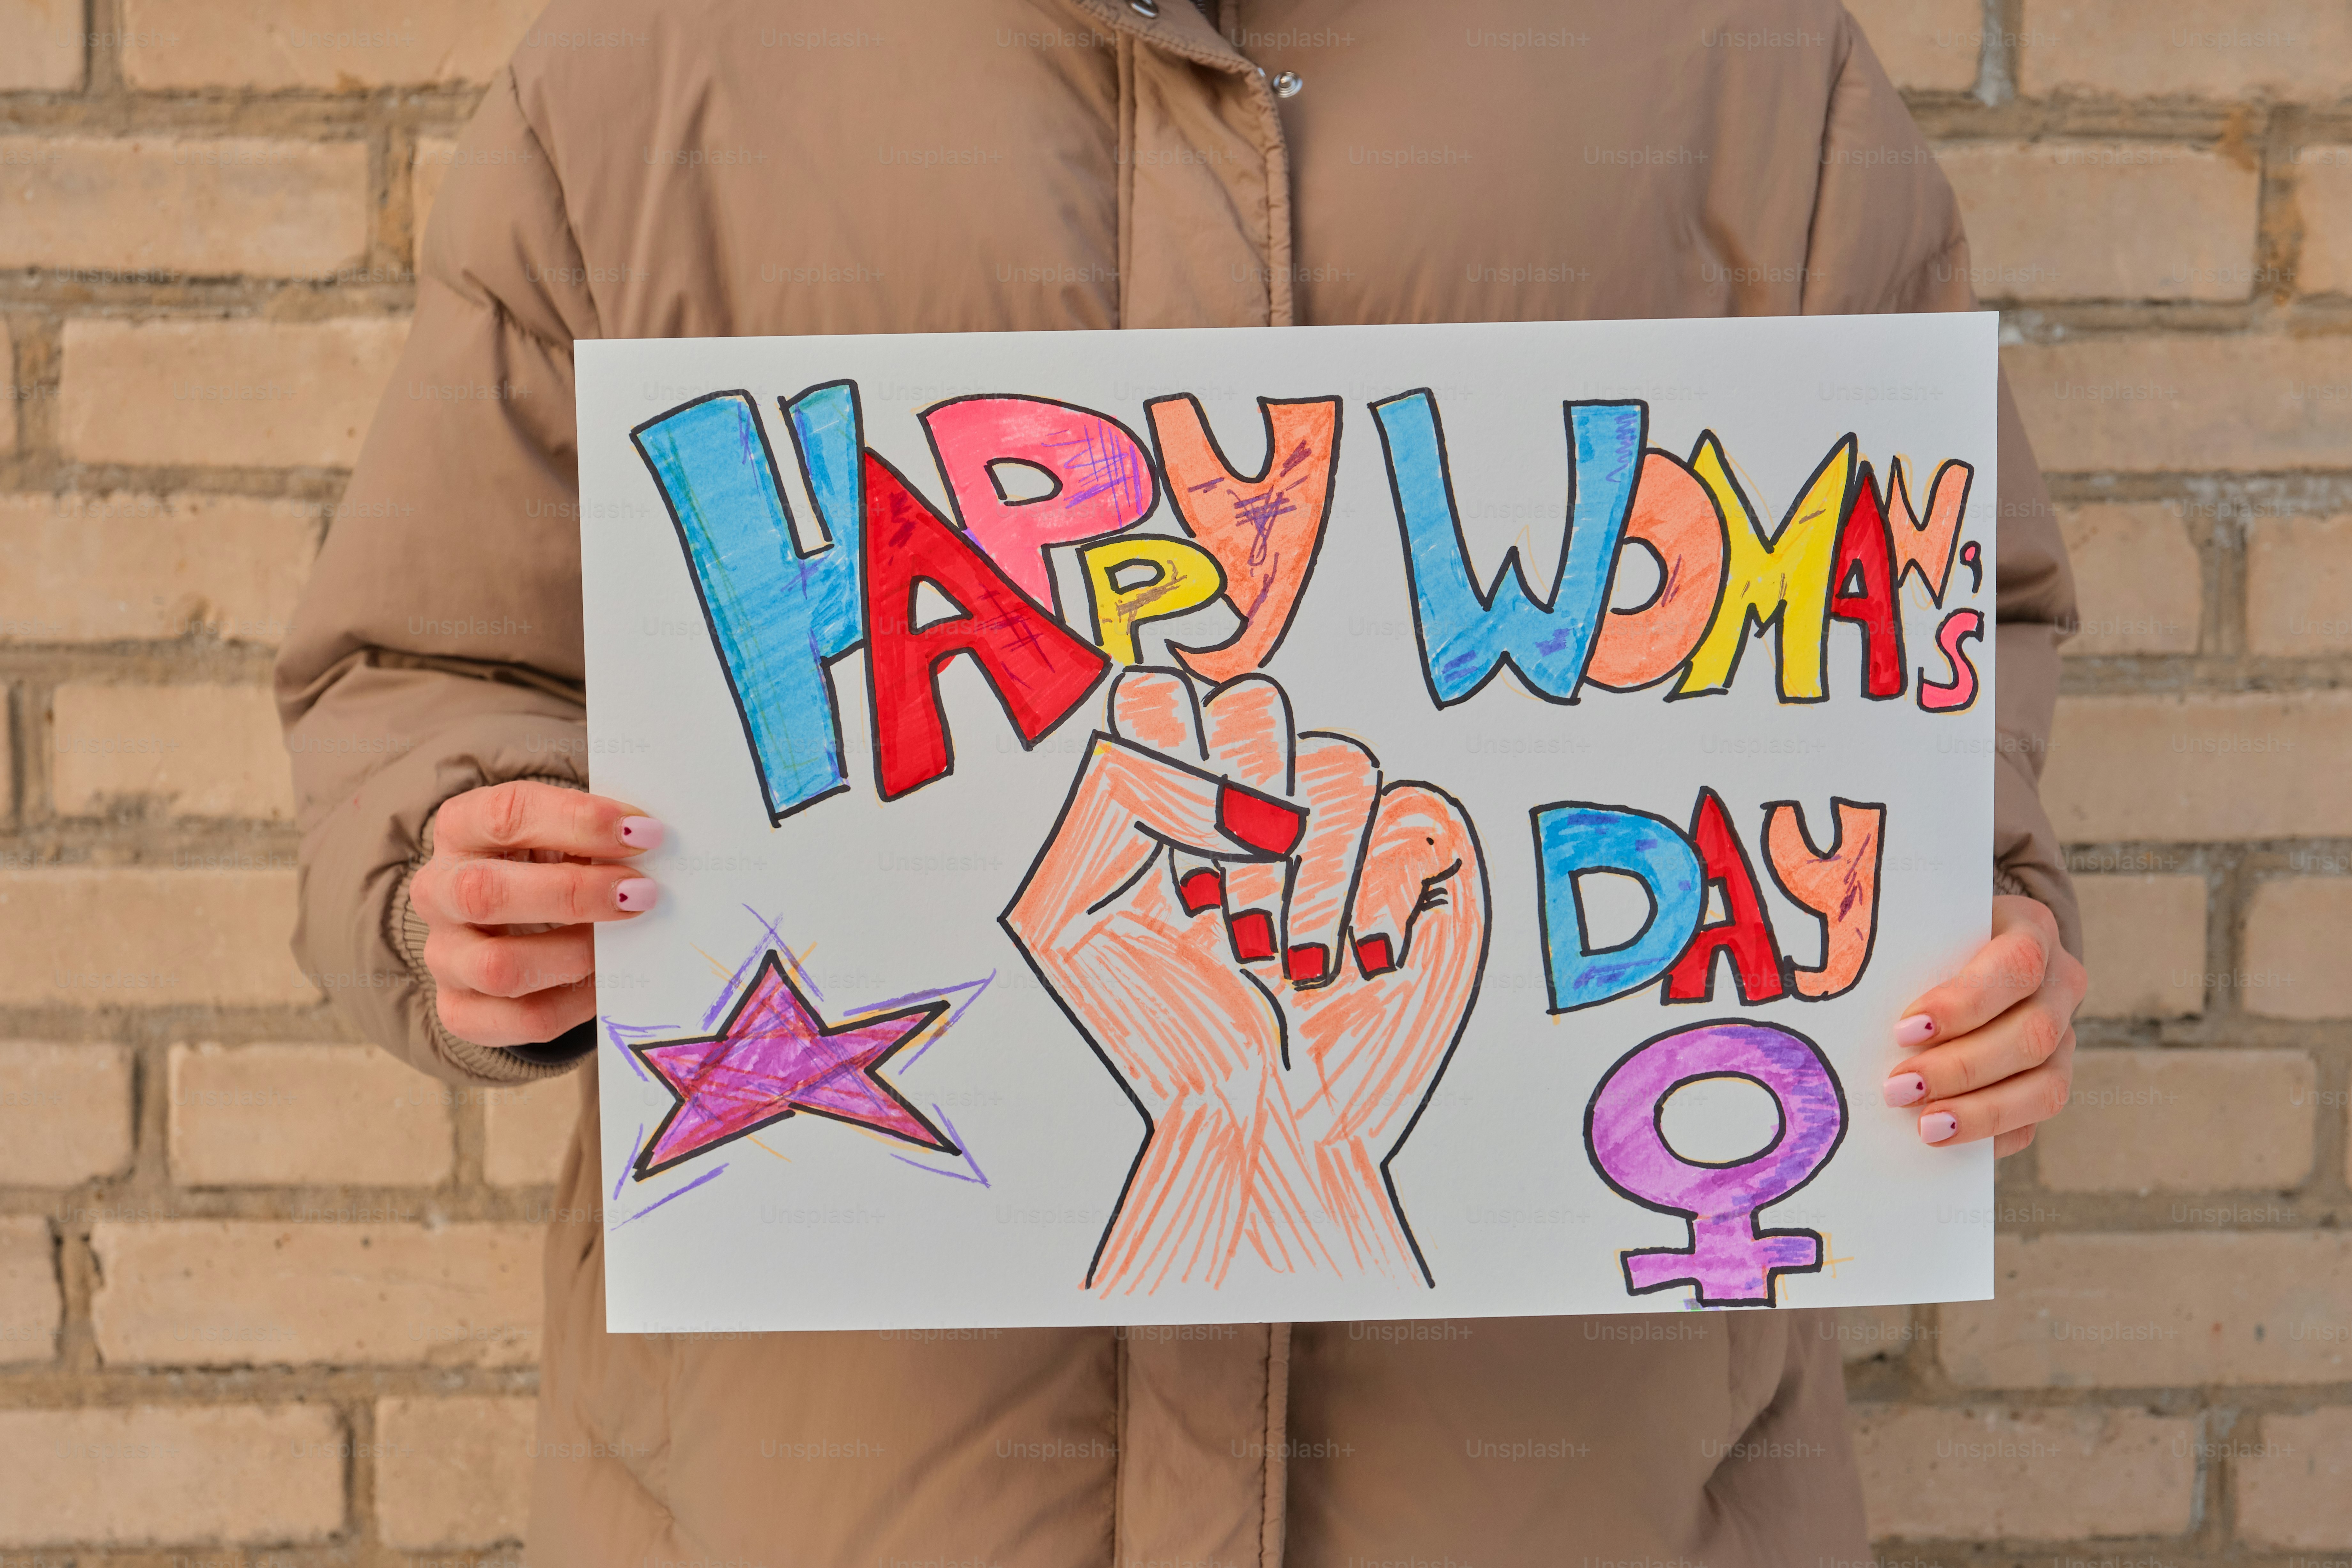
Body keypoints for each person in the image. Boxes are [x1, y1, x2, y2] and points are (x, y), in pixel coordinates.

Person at [276, 2, 2087, 1562]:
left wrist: (1967, 912)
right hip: (828, 1495)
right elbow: (440, 662)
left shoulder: (1731, 58)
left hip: (1574, 1492)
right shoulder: (663, 65)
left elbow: (1929, 606)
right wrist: (456, 868)